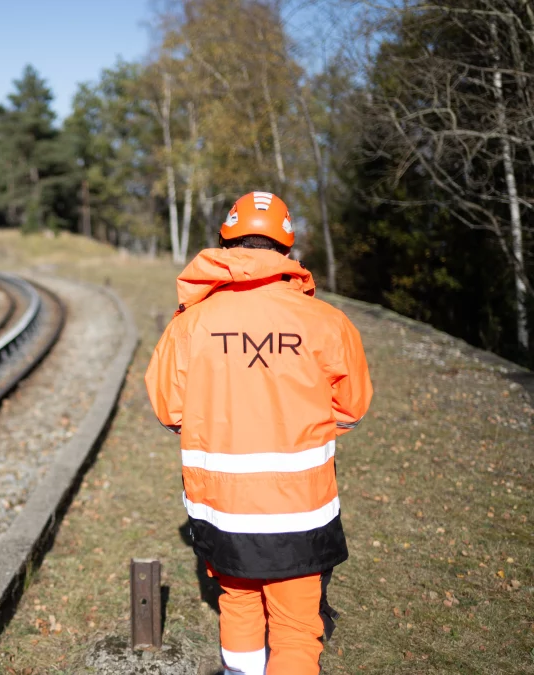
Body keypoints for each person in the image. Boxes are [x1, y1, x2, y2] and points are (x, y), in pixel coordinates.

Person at [144, 191, 373, 675]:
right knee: (294, 628)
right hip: (302, 508)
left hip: (222, 509)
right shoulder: (328, 323)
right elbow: (351, 409)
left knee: (239, 603)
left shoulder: (190, 325)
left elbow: (169, 409)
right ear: (287, 251)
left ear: (226, 245)